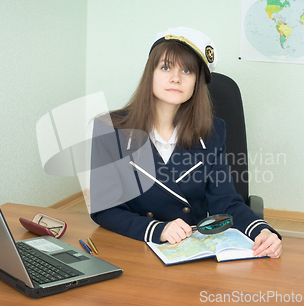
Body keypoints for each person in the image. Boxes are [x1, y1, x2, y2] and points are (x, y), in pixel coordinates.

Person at [89, 27, 282, 258]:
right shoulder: (109, 128)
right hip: (135, 245)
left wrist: (261, 230)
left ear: (196, 83)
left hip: (191, 249)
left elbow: (226, 202)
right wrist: (158, 229)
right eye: (165, 67)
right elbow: (105, 208)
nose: (175, 78)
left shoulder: (212, 131)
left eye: (187, 71)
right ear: (150, 73)